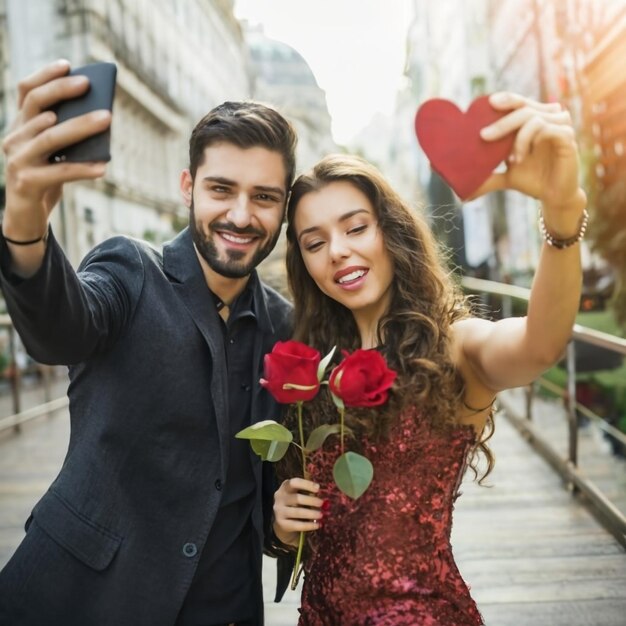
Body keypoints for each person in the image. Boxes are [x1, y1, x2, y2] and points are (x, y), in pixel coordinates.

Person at [0, 59, 296, 626]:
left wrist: (280, 524)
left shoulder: (284, 326)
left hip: (225, 606)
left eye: (264, 197)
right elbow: (60, 329)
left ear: (283, 207)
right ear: (188, 188)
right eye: (220, 189)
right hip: (83, 598)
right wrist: (24, 222)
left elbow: (259, 492)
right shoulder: (130, 268)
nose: (241, 214)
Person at [272, 92, 587, 625]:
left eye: (355, 227)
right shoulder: (312, 370)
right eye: (314, 242)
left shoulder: (455, 347)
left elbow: (540, 344)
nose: (338, 251)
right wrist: (283, 524)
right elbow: (312, 526)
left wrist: (561, 214)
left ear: (390, 231)